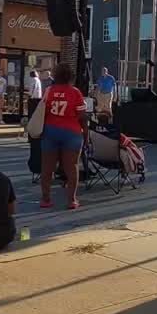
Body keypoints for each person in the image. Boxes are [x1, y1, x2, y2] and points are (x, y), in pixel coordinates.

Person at [39, 63, 87, 210]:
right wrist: (86, 133)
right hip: (71, 132)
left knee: (47, 167)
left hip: (51, 131)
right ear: (71, 77)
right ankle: (71, 200)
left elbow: (43, 112)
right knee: (72, 167)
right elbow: (82, 116)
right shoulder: (75, 92)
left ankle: (46, 199)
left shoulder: (48, 91)